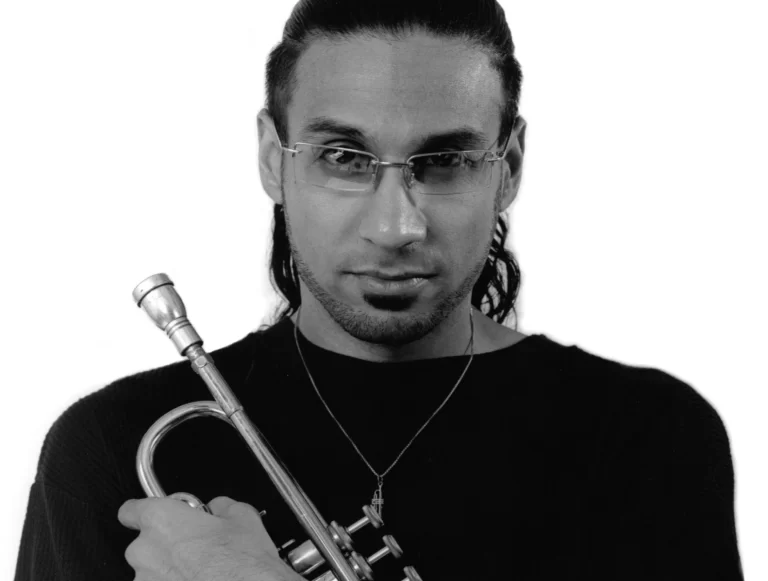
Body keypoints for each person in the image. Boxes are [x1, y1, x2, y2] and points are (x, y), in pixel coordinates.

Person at [15, 1, 745, 580]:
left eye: (447, 159)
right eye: (343, 156)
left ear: (509, 165)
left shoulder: (649, 439)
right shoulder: (111, 447)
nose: (396, 225)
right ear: (274, 159)